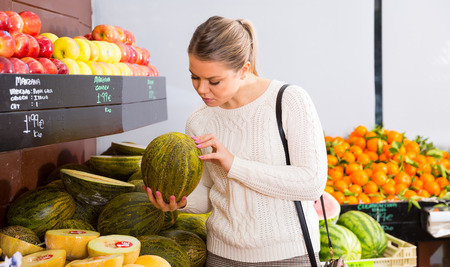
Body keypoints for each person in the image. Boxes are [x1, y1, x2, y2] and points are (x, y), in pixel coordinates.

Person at [147, 15, 327, 266]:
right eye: (194, 77)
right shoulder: (198, 121)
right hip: (223, 256)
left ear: (243, 69)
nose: (201, 89)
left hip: (289, 256)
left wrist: (235, 165)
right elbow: (209, 195)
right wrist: (181, 201)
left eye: (214, 81)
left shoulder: (289, 101)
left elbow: (311, 183)